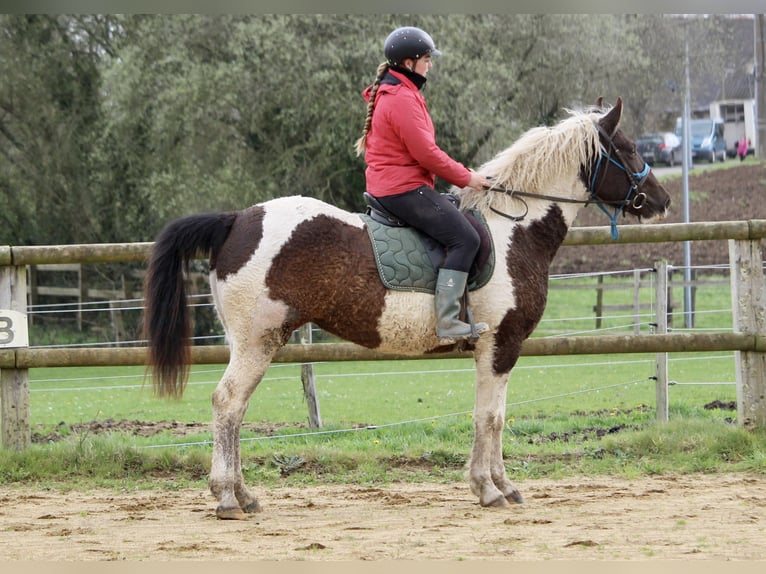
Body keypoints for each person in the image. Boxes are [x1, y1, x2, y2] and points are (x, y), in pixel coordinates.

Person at [355, 26, 491, 344]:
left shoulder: (396, 92)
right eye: (426, 59)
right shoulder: (401, 98)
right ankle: (447, 323)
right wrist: (467, 178)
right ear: (408, 63)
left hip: (393, 185)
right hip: (402, 189)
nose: (430, 65)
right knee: (466, 239)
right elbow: (426, 153)